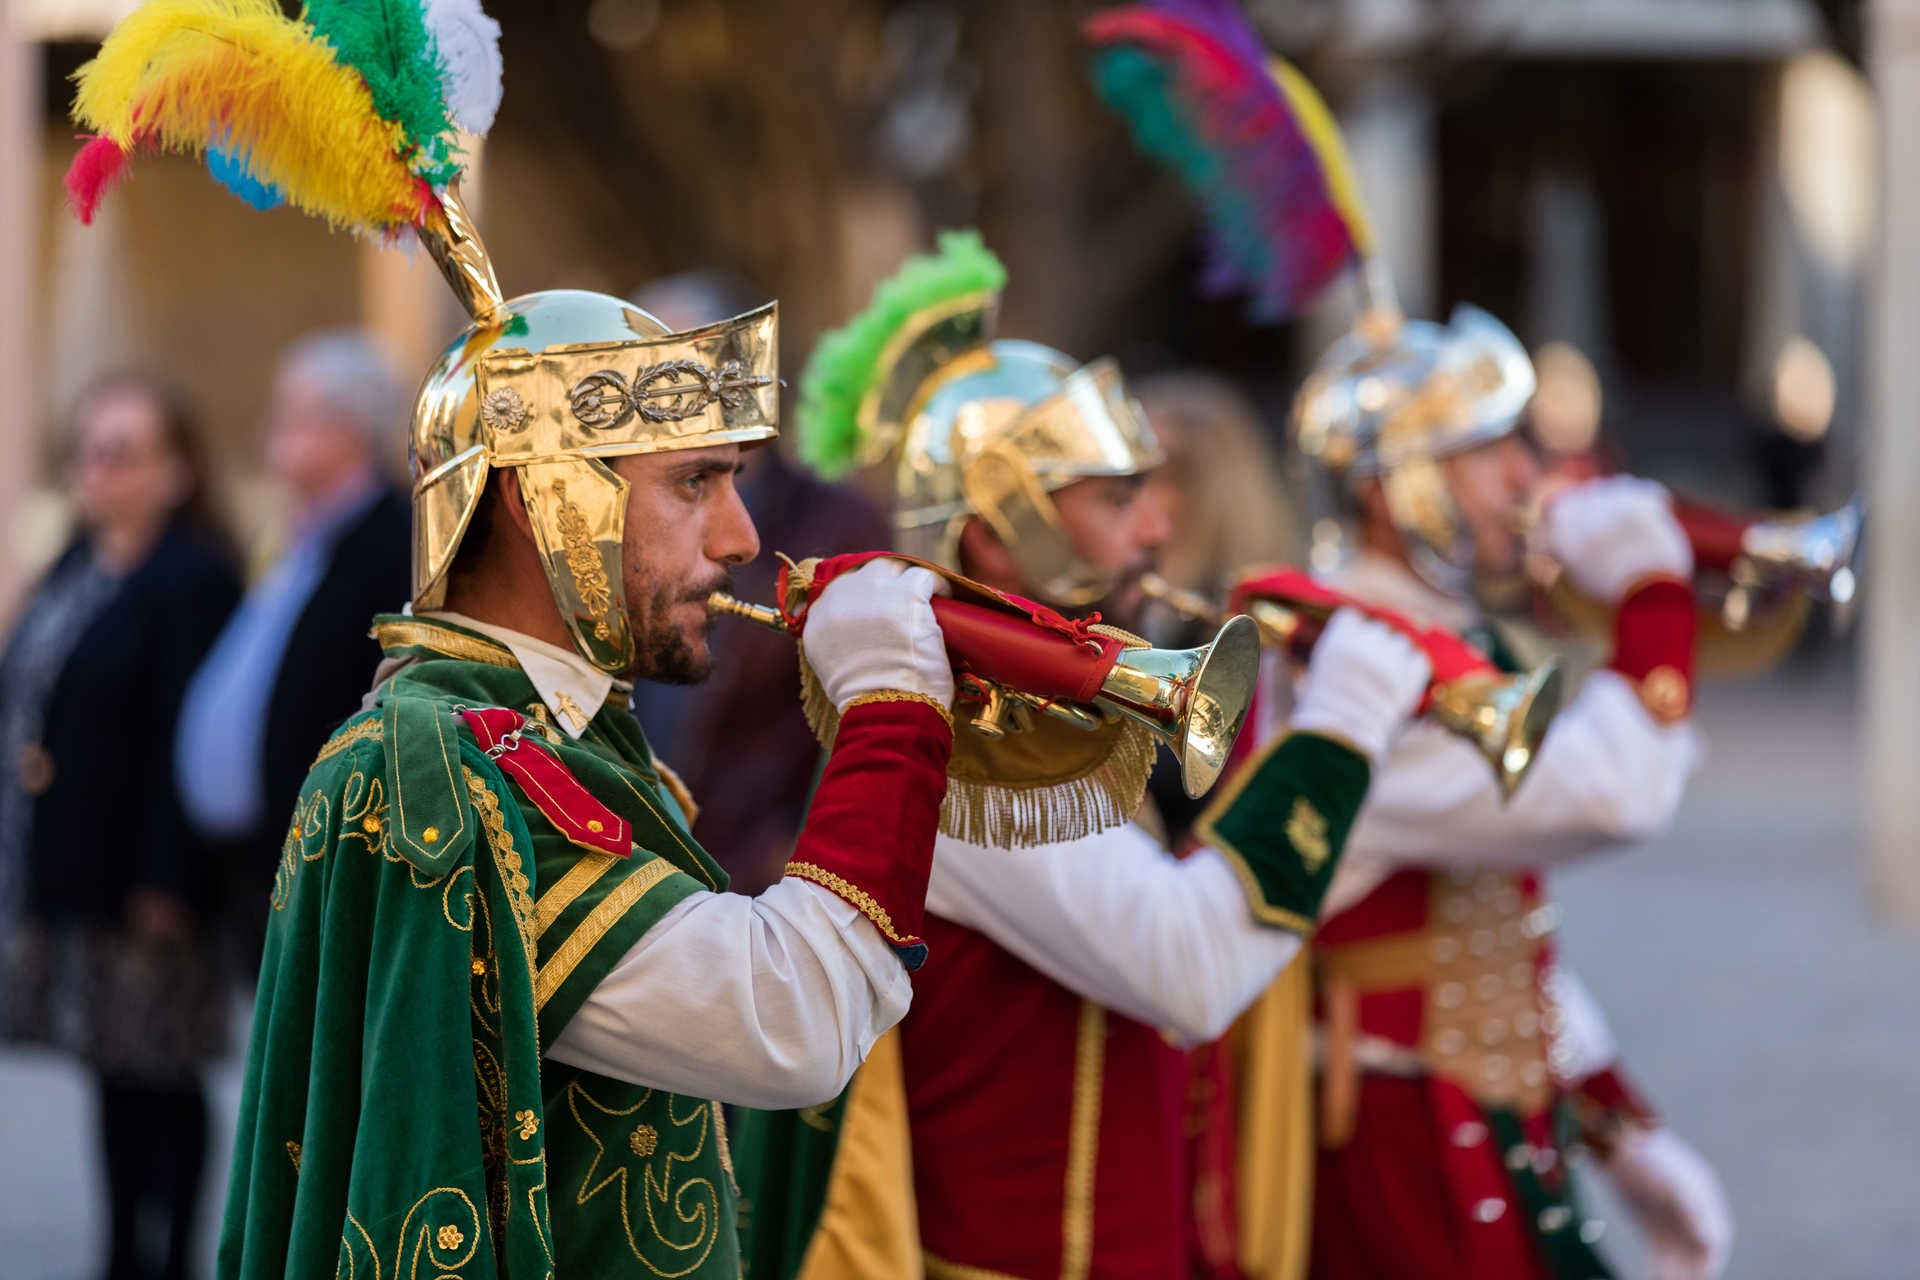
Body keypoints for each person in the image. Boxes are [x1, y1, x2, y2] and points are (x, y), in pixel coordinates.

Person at [734, 232, 1433, 1278]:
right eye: (1115, 498)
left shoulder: (1044, 714)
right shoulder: (965, 748)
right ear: (995, 528)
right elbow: (1191, 965)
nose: (1158, 524)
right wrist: (1338, 734)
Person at [1280, 303, 1733, 1280]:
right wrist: (1653, 594)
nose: (1528, 476)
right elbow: (1612, 794)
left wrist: (1618, 1122)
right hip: (1390, 1139)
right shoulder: (1343, 651)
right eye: (1489, 448)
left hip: (1485, 1118)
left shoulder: (1431, 628)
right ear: (1391, 483)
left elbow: (1498, 930)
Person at [0, 373, 241, 1280]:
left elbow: (185, 735)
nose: (97, 471)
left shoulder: (193, 579)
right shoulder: (76, 561)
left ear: (175, 472)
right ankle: (119, 1253)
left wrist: (165, 878)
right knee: (108, 1067)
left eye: (122, 453)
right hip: (76, 864)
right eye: (89, 451)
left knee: (161, 1077)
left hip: (149, 881)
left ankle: (168, 1255)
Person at [624, 272, 893, 891]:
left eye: (682, 362)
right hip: (642, 863)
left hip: (765, 873)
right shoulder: (625, 509)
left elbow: (866, 704)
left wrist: (804, 851)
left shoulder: (834, 522)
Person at [175, 330, 411, 959]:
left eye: (291, 415)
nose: (269, 432)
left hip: (330, 865)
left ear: (351, 429)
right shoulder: (301, 536)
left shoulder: (393, 542)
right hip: (259, 865)